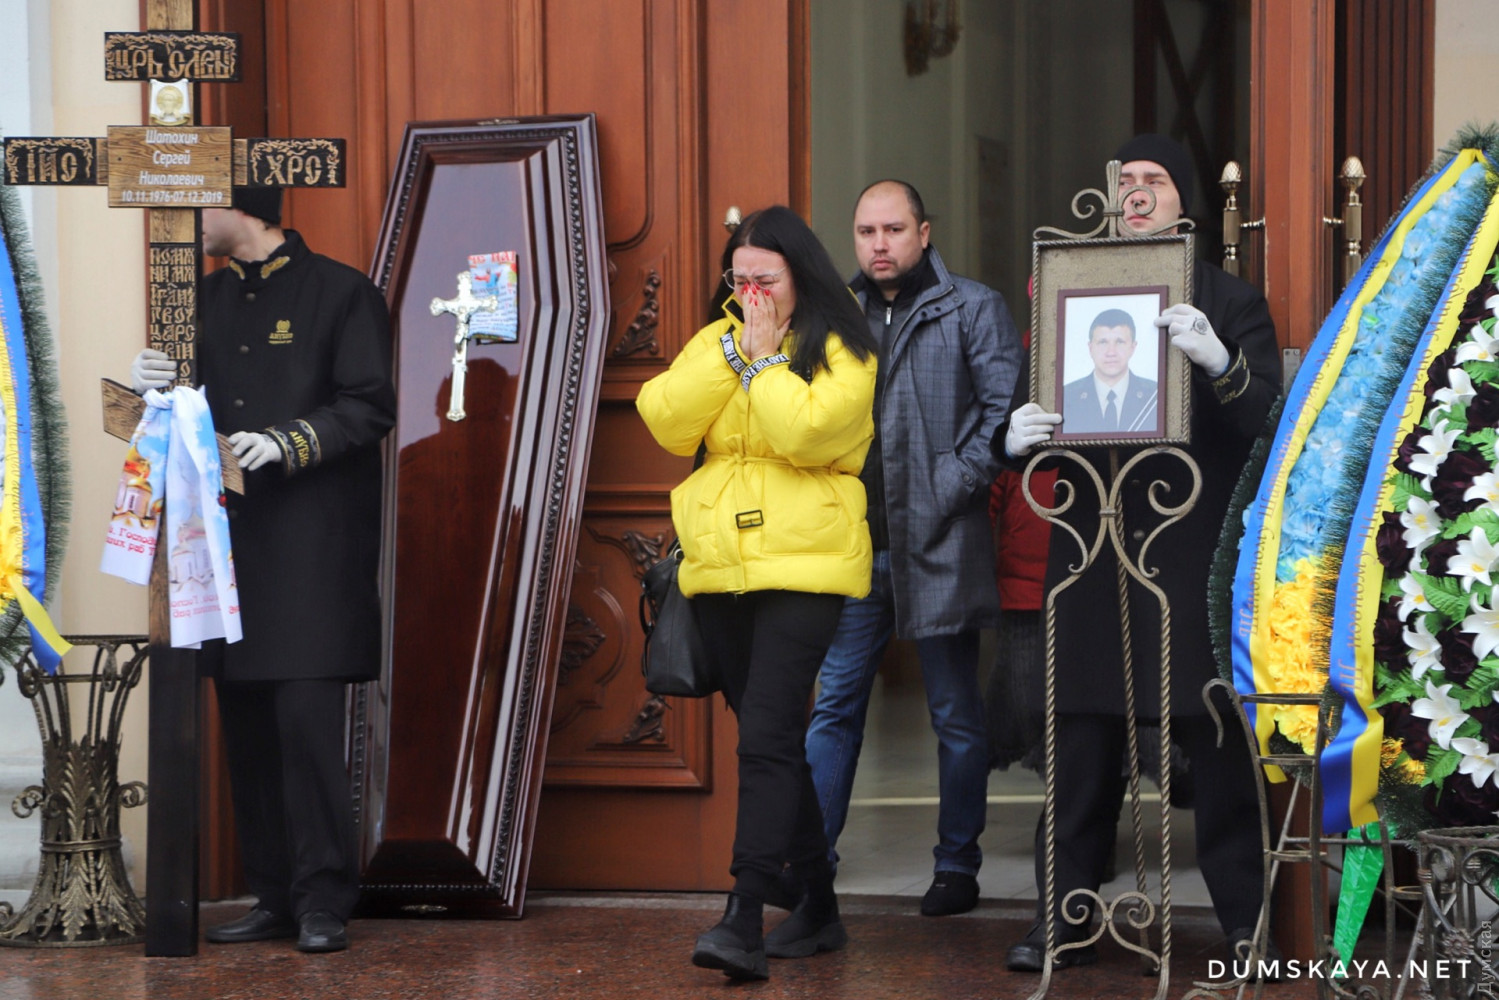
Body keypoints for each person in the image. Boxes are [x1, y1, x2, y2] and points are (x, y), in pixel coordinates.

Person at [998, 134, 1280, 971]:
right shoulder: (1072, 289)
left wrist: (1218, 361)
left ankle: (1245, 926)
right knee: (1079, 750)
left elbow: (1265, 420)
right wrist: (1009, 437)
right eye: (1124, 181)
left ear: (1183, 199)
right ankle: (1063, 919)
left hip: (1189, 553)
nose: (1135, 194)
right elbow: (1022, 416)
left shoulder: (1228, 299)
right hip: (1090, 553)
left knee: (1217, 749)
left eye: (1153, 181)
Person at [128, 187, 396, 954]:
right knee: (246, 732)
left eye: (192, 208)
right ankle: (274, 896)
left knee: (305, 730)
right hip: (225, 549)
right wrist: (151, 386)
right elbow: (177, 421)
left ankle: (322, 902)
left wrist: (288, 440)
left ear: (238, 208)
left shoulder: (342, 291)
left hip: (311, 549)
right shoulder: (199, 299)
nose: (179, 225)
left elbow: (369, 405)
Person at [636, 206, 878, 981]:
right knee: (771, 739)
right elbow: (666, 421)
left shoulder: (843, 349)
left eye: (764, 280)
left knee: (766, 738)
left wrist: (767, 363)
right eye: (737, 280)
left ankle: (742, 915)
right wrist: (734, 353)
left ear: (799, 277)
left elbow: (807, 436)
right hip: (718, 568)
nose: (750, 294)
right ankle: (821, 907)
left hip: (804, 571)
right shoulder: (720, 340)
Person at [801, 179, 1022, 917]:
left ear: (923, 233)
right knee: (835, 706)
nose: (879, 245)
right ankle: (812, 865)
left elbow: (1001, 417)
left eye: (893, 230)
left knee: (954, 715)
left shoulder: (973, 308)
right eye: (866, 231)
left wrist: (945, 484)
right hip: (855, 546)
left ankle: (956, 865)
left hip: (940, 540)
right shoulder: (834, 314)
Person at [1061, 309, 1158, 434]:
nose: (1111, 352)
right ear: (1090, 348)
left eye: (1120, 342)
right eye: (1103, 342)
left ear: (1133, 347)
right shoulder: (1066, 397)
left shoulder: (1155, 395)